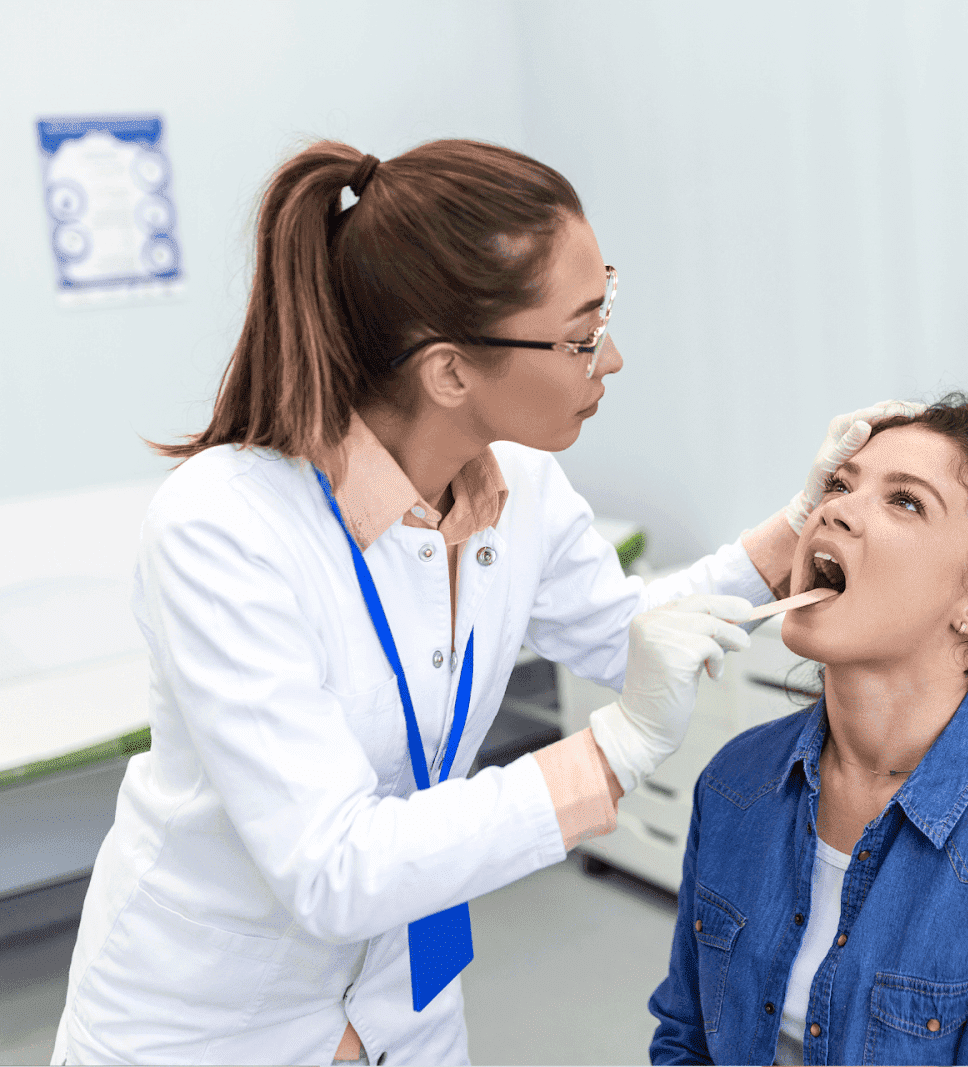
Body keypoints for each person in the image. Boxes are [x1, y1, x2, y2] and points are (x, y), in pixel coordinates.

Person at [49, 137, 920, 1066]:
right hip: (204, 1022)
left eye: (606, 310)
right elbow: (333, 866)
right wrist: (613, 752)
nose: (611, 357)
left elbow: (626, 630)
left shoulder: (521, 489)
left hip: (404, 1000)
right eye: (582, 334)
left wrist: (796, 524)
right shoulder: (224, 526)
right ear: (450, 371)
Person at [647, 394, 968, 1066]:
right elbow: (685, 1039)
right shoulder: (736, 780)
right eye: (839, 484)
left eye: (906, 501)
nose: (833, 509)